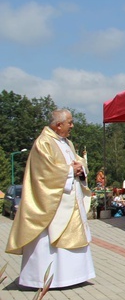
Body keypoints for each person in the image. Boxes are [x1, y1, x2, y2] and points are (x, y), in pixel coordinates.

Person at [6, 109, 96, 289]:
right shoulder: (43, 143)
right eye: (69, 122)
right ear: (58, 125)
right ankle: (44, 278)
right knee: (47, 241)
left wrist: (81, 167)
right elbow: (44, 172)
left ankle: (74, 276)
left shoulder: (67, 143)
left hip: (70, 198)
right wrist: (71, 171)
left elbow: (79, 161)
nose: (72, 125)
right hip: (52, 203)